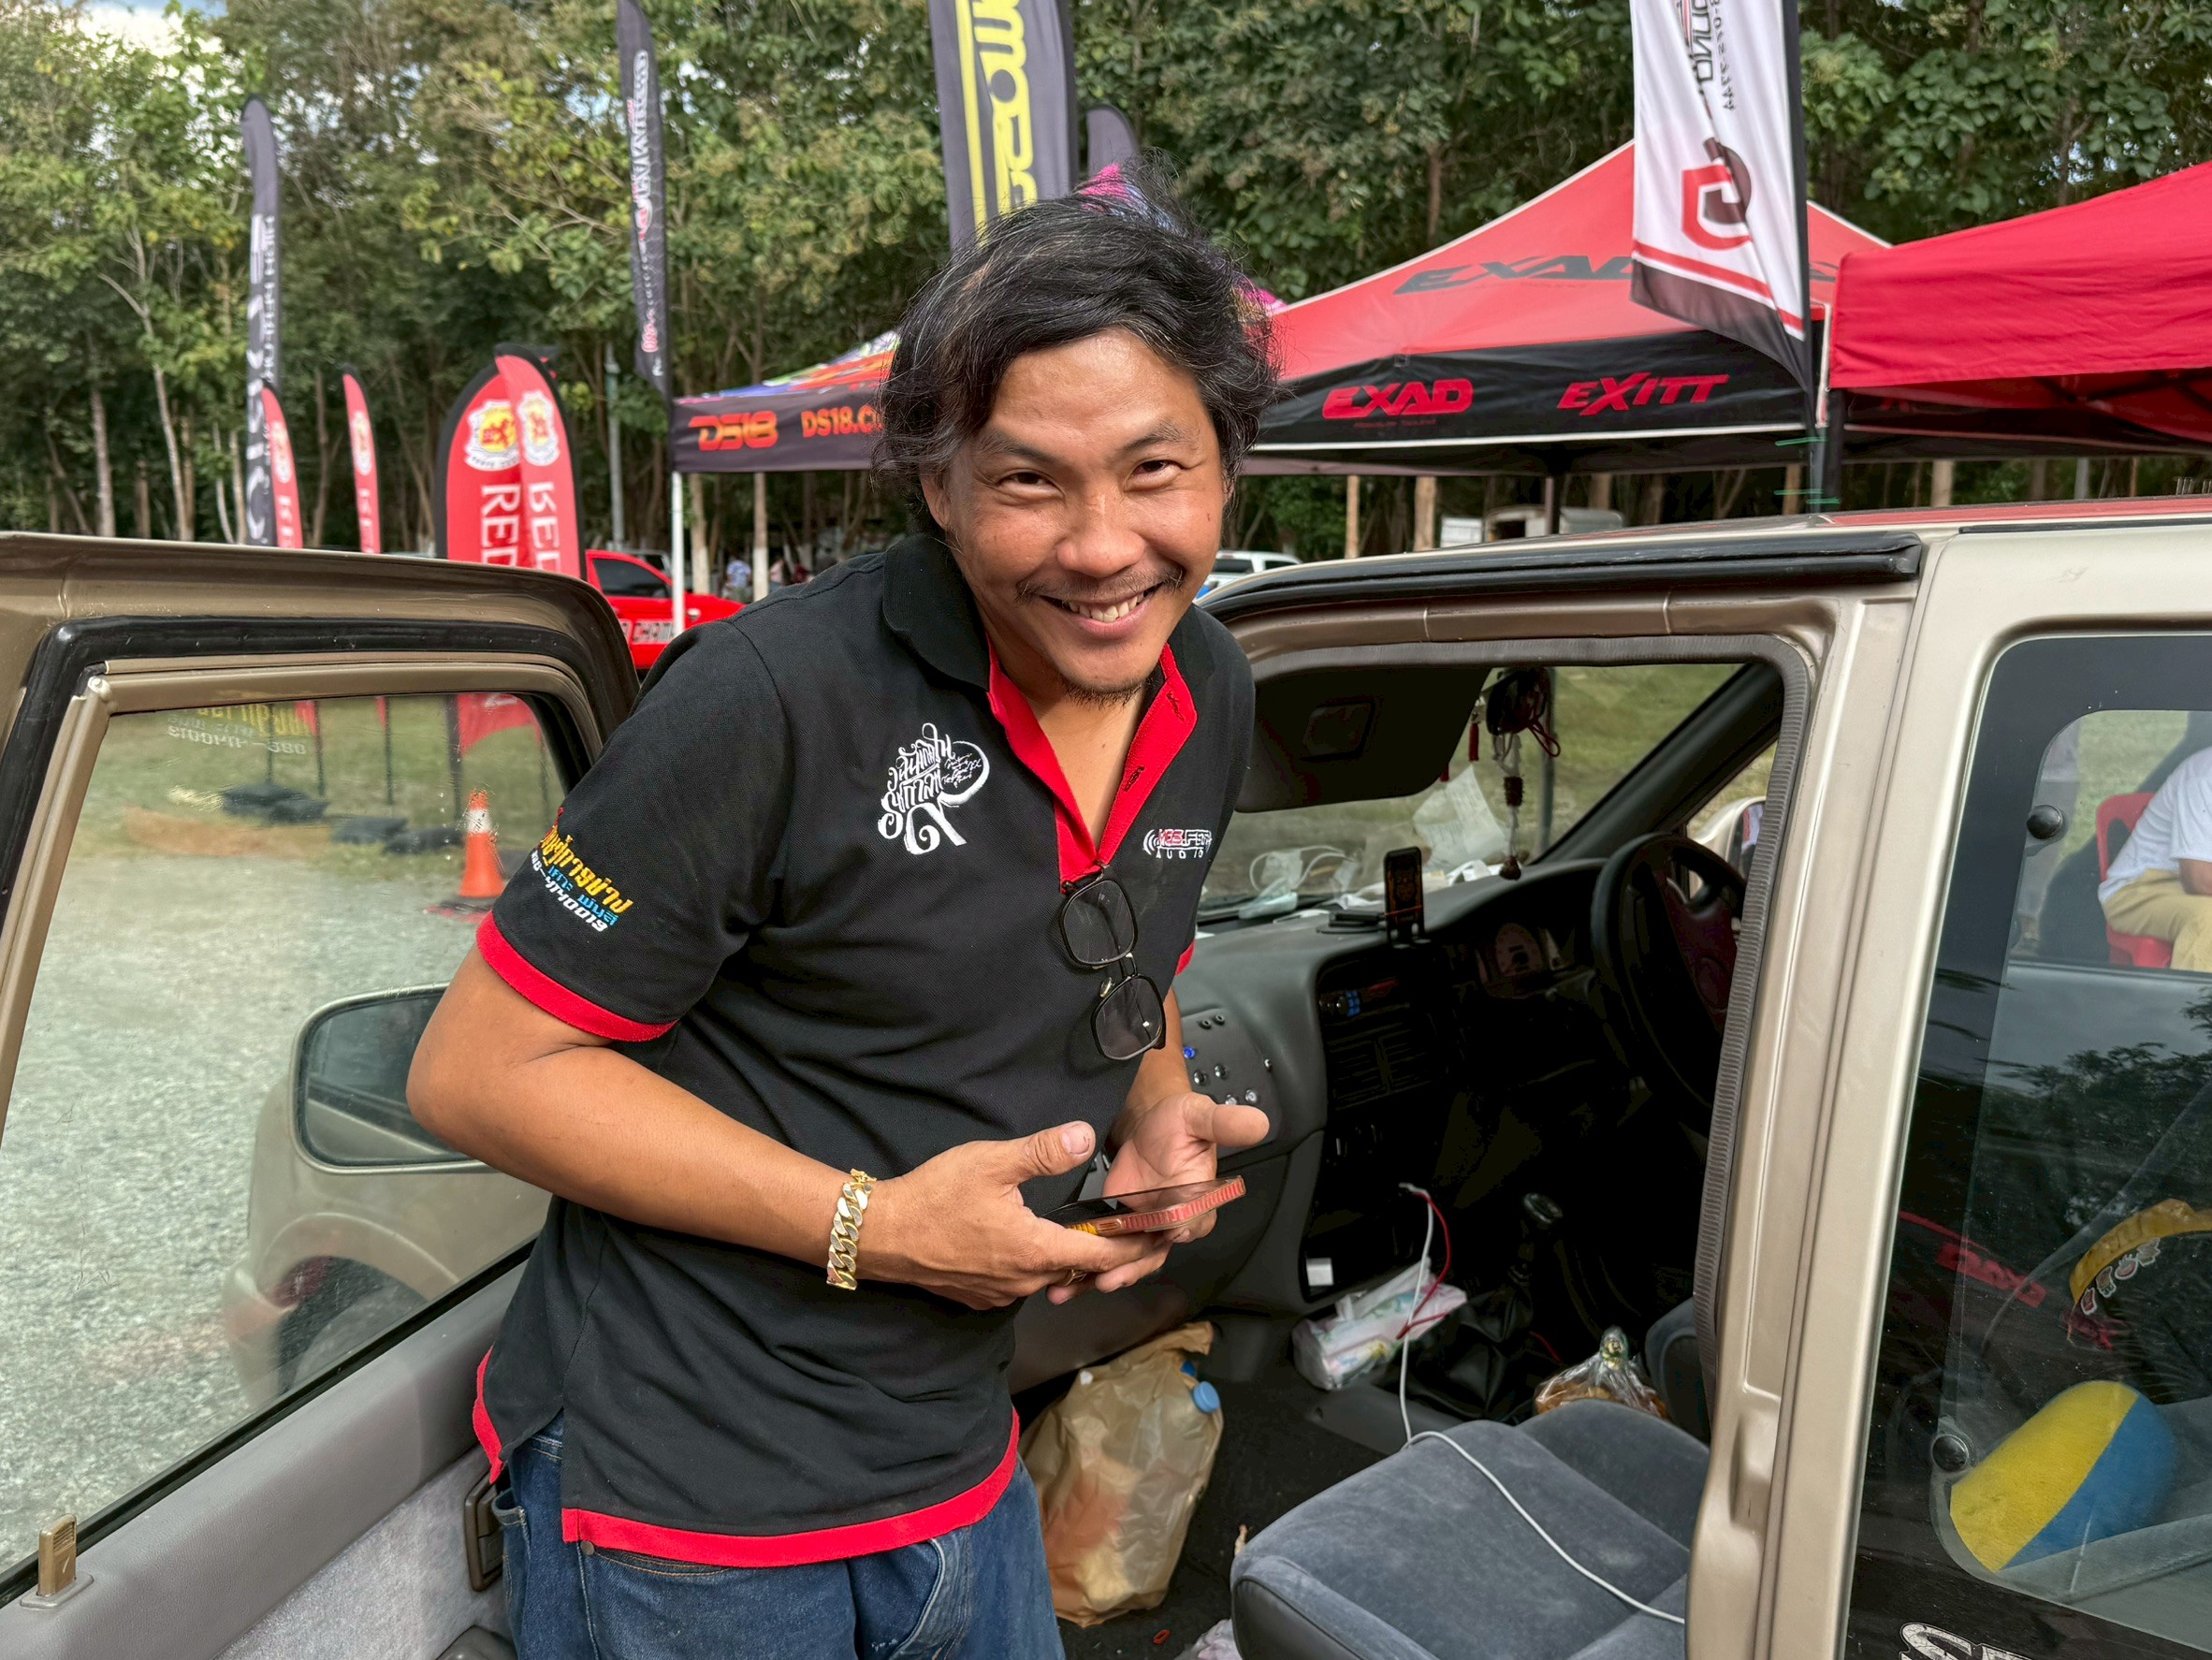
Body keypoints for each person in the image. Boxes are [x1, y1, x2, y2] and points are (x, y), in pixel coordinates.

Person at [408, 166, 1277, 1659]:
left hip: (960, 1451)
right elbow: (477, 1072)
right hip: (689, 1495)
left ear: (1225, 468)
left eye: (1155, 471)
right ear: (938, 485)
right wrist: (875, 1229)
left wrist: (1156, 1109)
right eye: (1029, 481)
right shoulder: (772, 697)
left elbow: (1132, 942)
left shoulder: (1207, 684)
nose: (1100, 545)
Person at [2101, 747, 2212, 968]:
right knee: (2208, 919)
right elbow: (2200, 881)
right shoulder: (2204, 776)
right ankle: (2196, 992)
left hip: (2191, 886)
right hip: (2140, 890)